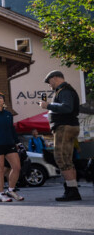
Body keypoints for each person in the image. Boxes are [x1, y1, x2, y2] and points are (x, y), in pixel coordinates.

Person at [40, 70, 82, 201]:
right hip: (68, 126)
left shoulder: (64, 90)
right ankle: (72, 188)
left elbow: (67, 107)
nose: (49, 85)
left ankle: (72, 191)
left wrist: (48, 105)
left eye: (49, 82)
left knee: (61, 158)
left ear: (55, 78)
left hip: (64, 127)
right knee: (67, 159)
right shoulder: (66, 90)